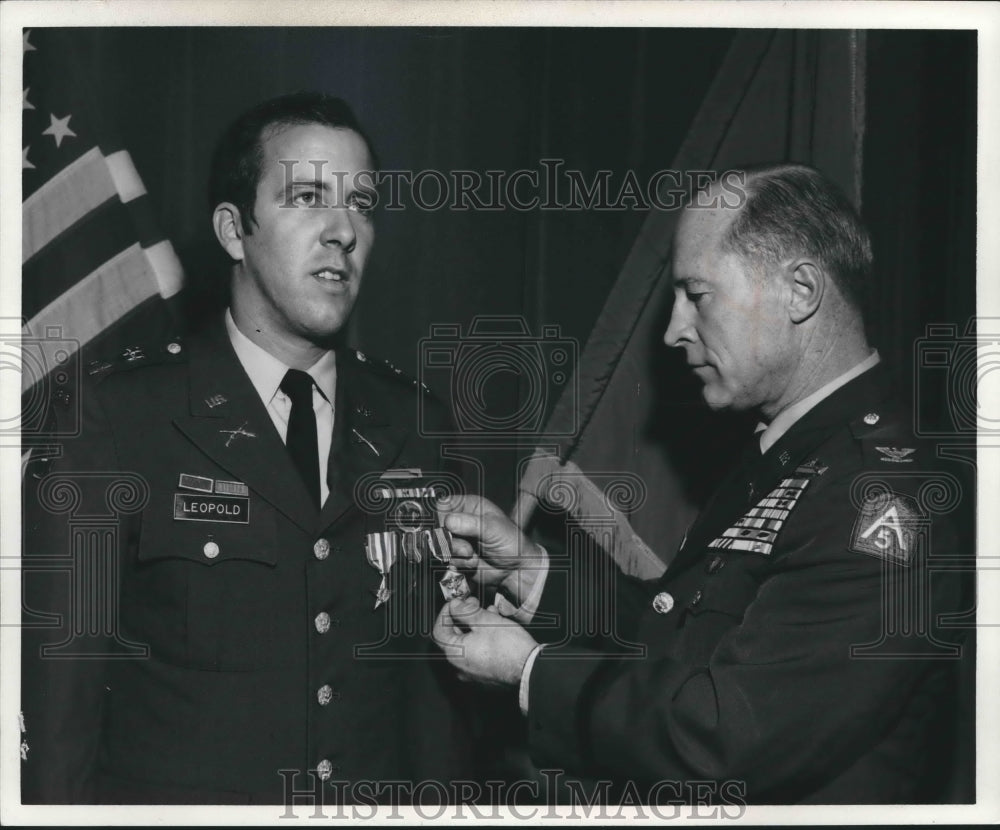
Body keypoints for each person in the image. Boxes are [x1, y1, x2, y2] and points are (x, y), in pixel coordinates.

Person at [433, 164, 972, 804]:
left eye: (698, 294)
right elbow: (682, 638)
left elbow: (724, 737)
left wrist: (530, 673)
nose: (673, 330)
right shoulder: (795, 451)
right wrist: (533, 573)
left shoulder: (881, 494)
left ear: (800, 291)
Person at [21, 92, 472, 804]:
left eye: (362, 203)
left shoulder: (414, 424)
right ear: (234, 230)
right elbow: (58, 719)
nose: (342, 231)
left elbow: (434, 713)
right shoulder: (118, 417)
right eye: (307, 197)